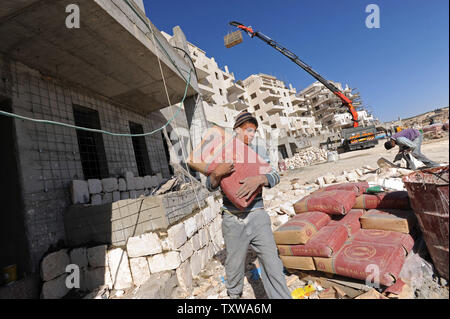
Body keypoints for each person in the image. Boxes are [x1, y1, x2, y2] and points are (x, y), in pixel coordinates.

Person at [205, 111, 291, 299]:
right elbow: (209, 186)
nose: (251, 135)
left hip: (257, 215)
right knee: (234, 267)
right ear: (237, 130)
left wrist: (260, 179)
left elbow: (275, 176)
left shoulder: (258, 151)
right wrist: (216, 174)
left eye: (254, 131)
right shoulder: (223, 151)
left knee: (273, 264)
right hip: (232, 218)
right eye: (248, 130)